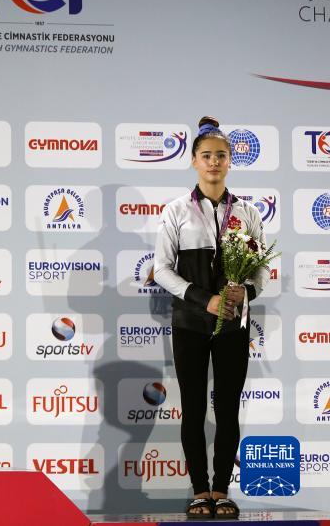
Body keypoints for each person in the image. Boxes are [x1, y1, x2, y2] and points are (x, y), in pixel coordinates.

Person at [153, 116, 269, 520]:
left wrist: (246, 293)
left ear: (230, 160)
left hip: (233, 325)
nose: (214, 162)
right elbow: (162, 269)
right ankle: (199, 491)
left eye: (221, 155)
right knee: (193, 407)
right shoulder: (176, 210)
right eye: (206, 156)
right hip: (190, 323)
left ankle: (222, 490)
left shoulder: (248, 212)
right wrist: (205, 300)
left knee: (228, 410)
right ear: (194, 161)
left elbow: (262, 269)